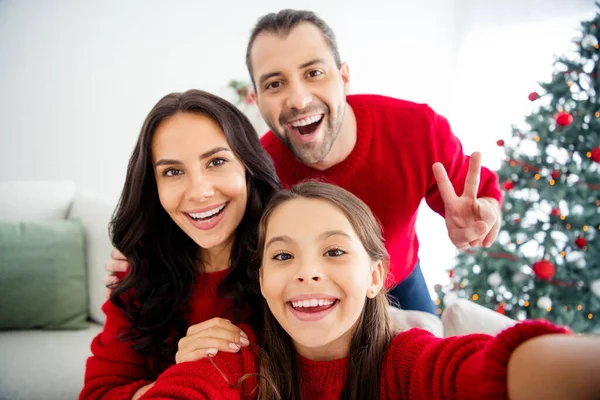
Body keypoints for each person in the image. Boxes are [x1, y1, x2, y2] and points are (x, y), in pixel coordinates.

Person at [106, 9, 503, 315]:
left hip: (399, 282)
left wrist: (483, 216)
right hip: (313, 296)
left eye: (313, 72)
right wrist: (145, 255)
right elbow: (215, 229)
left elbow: (475, 194)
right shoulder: (253, 167)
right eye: (275, 84)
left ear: (344, 77)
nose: (297, 99)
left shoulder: (417, 127)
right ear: (256, 99)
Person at [138, 181, 600, 400]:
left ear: (377, 276)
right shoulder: (233, 360)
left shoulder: (408, 362)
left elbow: (490, 369)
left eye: (334, 252)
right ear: (261, 281)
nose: (307, 273)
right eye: (282, 257)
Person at [79, 89, 281, 400]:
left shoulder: (293, 261)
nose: (199, 191)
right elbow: (98, 393)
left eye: (216, 161)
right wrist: (183, 376)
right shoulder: (136, 273)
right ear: (153, 186)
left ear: (248, 167)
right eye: (173, 172)